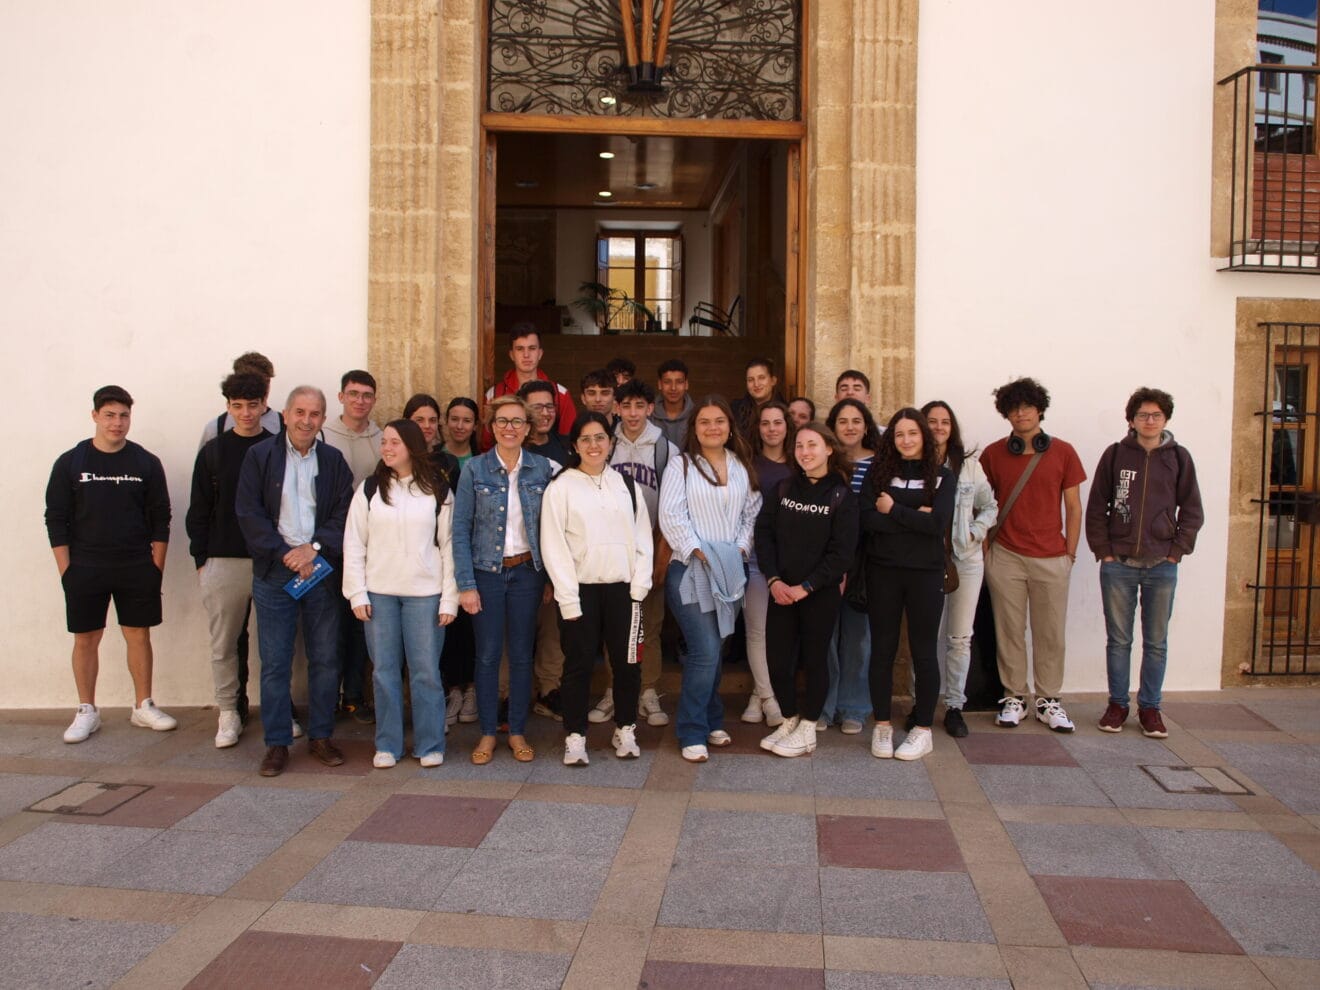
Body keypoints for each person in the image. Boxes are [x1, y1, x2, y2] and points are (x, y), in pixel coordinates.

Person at [46, 385, 176, 743]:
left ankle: (143, 706)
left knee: (138, 634)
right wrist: (67, 571)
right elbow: (55, 519)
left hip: (136, 564)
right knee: (86, 638)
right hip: (85, 566)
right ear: (94, 416)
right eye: (110, 415)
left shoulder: (145, 463)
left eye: (123, 416)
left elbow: (161, 518)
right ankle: (87, 709)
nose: (117, 423)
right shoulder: (71, 463)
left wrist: (155, 567)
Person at [236, 386, 354, 775]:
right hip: (274, 574)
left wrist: (314, 549)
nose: (307, 420)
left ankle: (321, 736)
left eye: (315, 414)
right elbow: (248, 513)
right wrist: (286, 553)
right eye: (300, 412)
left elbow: (343, 514)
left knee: (324, 658)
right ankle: (277, 743)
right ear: (284, 415)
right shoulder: (259, 457)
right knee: (275, 663)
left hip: (319, 573)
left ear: (323, 418)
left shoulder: (334, 461)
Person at [1085, 387, 1203, 738]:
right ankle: (1118, 704)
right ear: (1131, 420)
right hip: (1118, 563)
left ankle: (1150, 708)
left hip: (1161, 565)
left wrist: (1176, 551)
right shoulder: (1116, 455)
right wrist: (1104, 550)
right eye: (1142, 415)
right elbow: (1096, 506)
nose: (1149, 421)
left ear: (1165, 419)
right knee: (1118, 640)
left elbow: (1192, 510)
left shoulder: (1178, 458)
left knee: (1156, 642)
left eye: (1156, 415)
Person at [343, 419, 459, 769]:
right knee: (384, 671)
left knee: (425, 671)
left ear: (412, 446)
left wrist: (449, 597)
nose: (387, 448)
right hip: (379, 595)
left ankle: (430, 744)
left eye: (394, 442)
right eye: (384, 442)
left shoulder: (438, 490)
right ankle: (388, 744)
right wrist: (357, 593)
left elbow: (449, 546)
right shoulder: (369, 490)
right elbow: (354, 542)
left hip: (425, 594)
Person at [542, 413, 654, 764]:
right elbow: (554, 546)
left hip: (624, 591)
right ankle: (576, 737)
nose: (594, 445)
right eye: (586, 439)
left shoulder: (627, 485)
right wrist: (568, 598)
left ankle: (626, 729)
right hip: (581, 592)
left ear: (611, 442)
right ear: (574, 445)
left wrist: (639, 586)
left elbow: (642, 539)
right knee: (577, 666)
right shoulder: (561, 487)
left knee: (628, 665)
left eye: (600, 438)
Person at [452, 395, 556, 765]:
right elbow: (460, 528)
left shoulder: (543, 469)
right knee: (488, 655)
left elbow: (553, 529)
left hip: (528, 572)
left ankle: (516, 731)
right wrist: (466, 584)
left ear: (528, 428)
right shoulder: (475, 470)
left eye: (517, 421)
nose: (509, 427)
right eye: (502, 421)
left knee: (522, 655)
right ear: (491, 427)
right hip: (487, 574)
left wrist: (550, 578)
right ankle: (485, 733)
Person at [981, 377, 1086, 733]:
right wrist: (986, 552)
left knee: (1050, 632)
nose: (1021, 413)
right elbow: (981, 505)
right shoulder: (993, 454)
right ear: (1005, 414)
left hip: (1052, 556)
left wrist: (1069, 553)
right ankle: (1014, 696)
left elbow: (1074, 506)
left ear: (1040, 409)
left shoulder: (1064, 452)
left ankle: (1048, 699)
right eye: (1013, 408)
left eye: (1027, 406)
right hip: (1006, 556)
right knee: (1008, 630)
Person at [659, 395, 761, 762]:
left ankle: (712, 717)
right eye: (705, 422)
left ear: (730, 426)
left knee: (717, 647)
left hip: (731, 569)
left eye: (719, 420)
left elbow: (751, 513)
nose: (713, 427)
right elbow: (671, 515)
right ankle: (691, 730)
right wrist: (701, 551)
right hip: (690, 568)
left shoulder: (740, 466)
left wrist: (741, 551)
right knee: (704, 649)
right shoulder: (681, 466)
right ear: (695, 428)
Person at [187, 373, 282, 748]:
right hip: (223, 559)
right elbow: (199, 510)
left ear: (264, 405)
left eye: (253, 405)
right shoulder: (213, 451)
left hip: (271, 558)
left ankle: (279, 708)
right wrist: (202, 559)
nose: (246, 413)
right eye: (237, 406)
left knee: (276, 642)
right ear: (228, 406)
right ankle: (229, 710)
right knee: (225, 643)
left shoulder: (278, 448)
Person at [756, 423, 859, 757]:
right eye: (799, 445)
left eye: (812, 445)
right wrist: (773, 580)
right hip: (780, 591)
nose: (805, 452)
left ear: (829, 448)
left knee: (815, 661)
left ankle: (809, 727)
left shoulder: (841, 494)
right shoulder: (784, 487)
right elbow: (764, 534)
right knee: (777, 660)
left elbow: (842, 553)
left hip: (818, 594)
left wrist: (807, 586)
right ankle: (789, 718)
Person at [860, 408, 954, 761]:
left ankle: (923, 729)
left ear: (924, 436)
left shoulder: (942, 476)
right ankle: (882, 725)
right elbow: (868, 519)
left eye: (912, 433)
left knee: (924, 652)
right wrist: (917, 515)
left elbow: (937, 525)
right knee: (881, 650)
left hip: (926, 574)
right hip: (883, 571)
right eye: (899, 434)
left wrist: (894, 509)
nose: (906, 440)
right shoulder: (877, 473)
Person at [590, 379, 674, 727]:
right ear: (617, 409)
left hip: (651, 544)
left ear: (650, 408)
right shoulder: (606, 445)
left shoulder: (666, 448)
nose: (633, 413)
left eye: (640, 406)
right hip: (613, 545)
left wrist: (662, 553)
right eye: (627, 406)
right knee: (616, 625)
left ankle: (648, 690)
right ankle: (614, 689)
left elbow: (671, 506)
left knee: (649, 624)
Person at [921, 400, 998, 738]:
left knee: (959, 638)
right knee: (924, 638)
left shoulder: (968, 466)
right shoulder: (913, 464)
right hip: (925, 561)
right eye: (932, 421)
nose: (938, 427)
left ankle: (954, 706)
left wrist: (974, 533)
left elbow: (989, 505)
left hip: (965, 561)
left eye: (945, 422)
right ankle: (920, 704)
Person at [404, 393, 469, 728]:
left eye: (432, 420)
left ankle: (445, 697)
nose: (427, 427)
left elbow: (456, 517)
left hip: (438, 561)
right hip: (402, 568)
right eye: (419, 420)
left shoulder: (447, 465)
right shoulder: (392, 461)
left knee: (439, 637)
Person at [322, 370, 383, 726]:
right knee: (328, 624)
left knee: (361, 624)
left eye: (367, 395)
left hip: (370, 548)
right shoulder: (323, 436)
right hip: (329, 545)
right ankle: (328, 695)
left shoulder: (382, 438)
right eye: (354, 393)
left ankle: (356, 697)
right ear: (341, 396)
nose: (360, 400)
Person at [819, 398, 883, 734]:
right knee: (825, 635)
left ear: (866, 425)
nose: (849, 427)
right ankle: (825, 706)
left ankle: (854, 708)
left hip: (865, 561)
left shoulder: (881, 464)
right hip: (828, 559)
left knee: (859, 637)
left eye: (856, 420)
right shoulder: (826, 462)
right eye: (842, 421)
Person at [741, 400, 794, 727]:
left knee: (782, 634)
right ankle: (768, 699)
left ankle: (756, 693)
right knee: (756, 630)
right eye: (766, 423)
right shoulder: (748, 465)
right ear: (757, 428)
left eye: (778, 422)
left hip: (792, 562)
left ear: (787, 426)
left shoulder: (799, 464)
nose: (772, 428)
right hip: (757, 560)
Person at [482, 324, 576, 447]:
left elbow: (568, 441)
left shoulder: (560, 393)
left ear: (540, 353)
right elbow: (486, 444)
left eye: (532, 348)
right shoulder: (495, 394)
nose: (526, 355)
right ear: (511, 355)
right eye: (520, 349)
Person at [197, 351, 282, 446]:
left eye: (267, 381)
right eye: (254, 381)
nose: (264, 387)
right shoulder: (216, 428)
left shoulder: (284, 424)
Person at [520, 379, 570, 467]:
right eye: (537, 407)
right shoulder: (514, 449)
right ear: (523, 411)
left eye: (549, 406)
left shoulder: (567, 446)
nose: (545, 413)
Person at [731, 357, 782, 439]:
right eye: (750, 380)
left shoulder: (785, 411)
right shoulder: (735, 410)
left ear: (773, 381)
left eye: (761, 378)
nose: (756, 384)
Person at [652, 358, 694, 448]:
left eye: (679, 382)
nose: (673, 388)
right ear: (659, 384)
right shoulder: (648, 415)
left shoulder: (697, 415)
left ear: (686, 384)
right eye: (667, 382)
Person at [443, 397, 480, 469]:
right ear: (446, 420)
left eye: (467, 421)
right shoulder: (433, 455)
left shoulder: (481, 462)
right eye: (454, 419)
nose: (459, 426)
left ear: (475, 425)